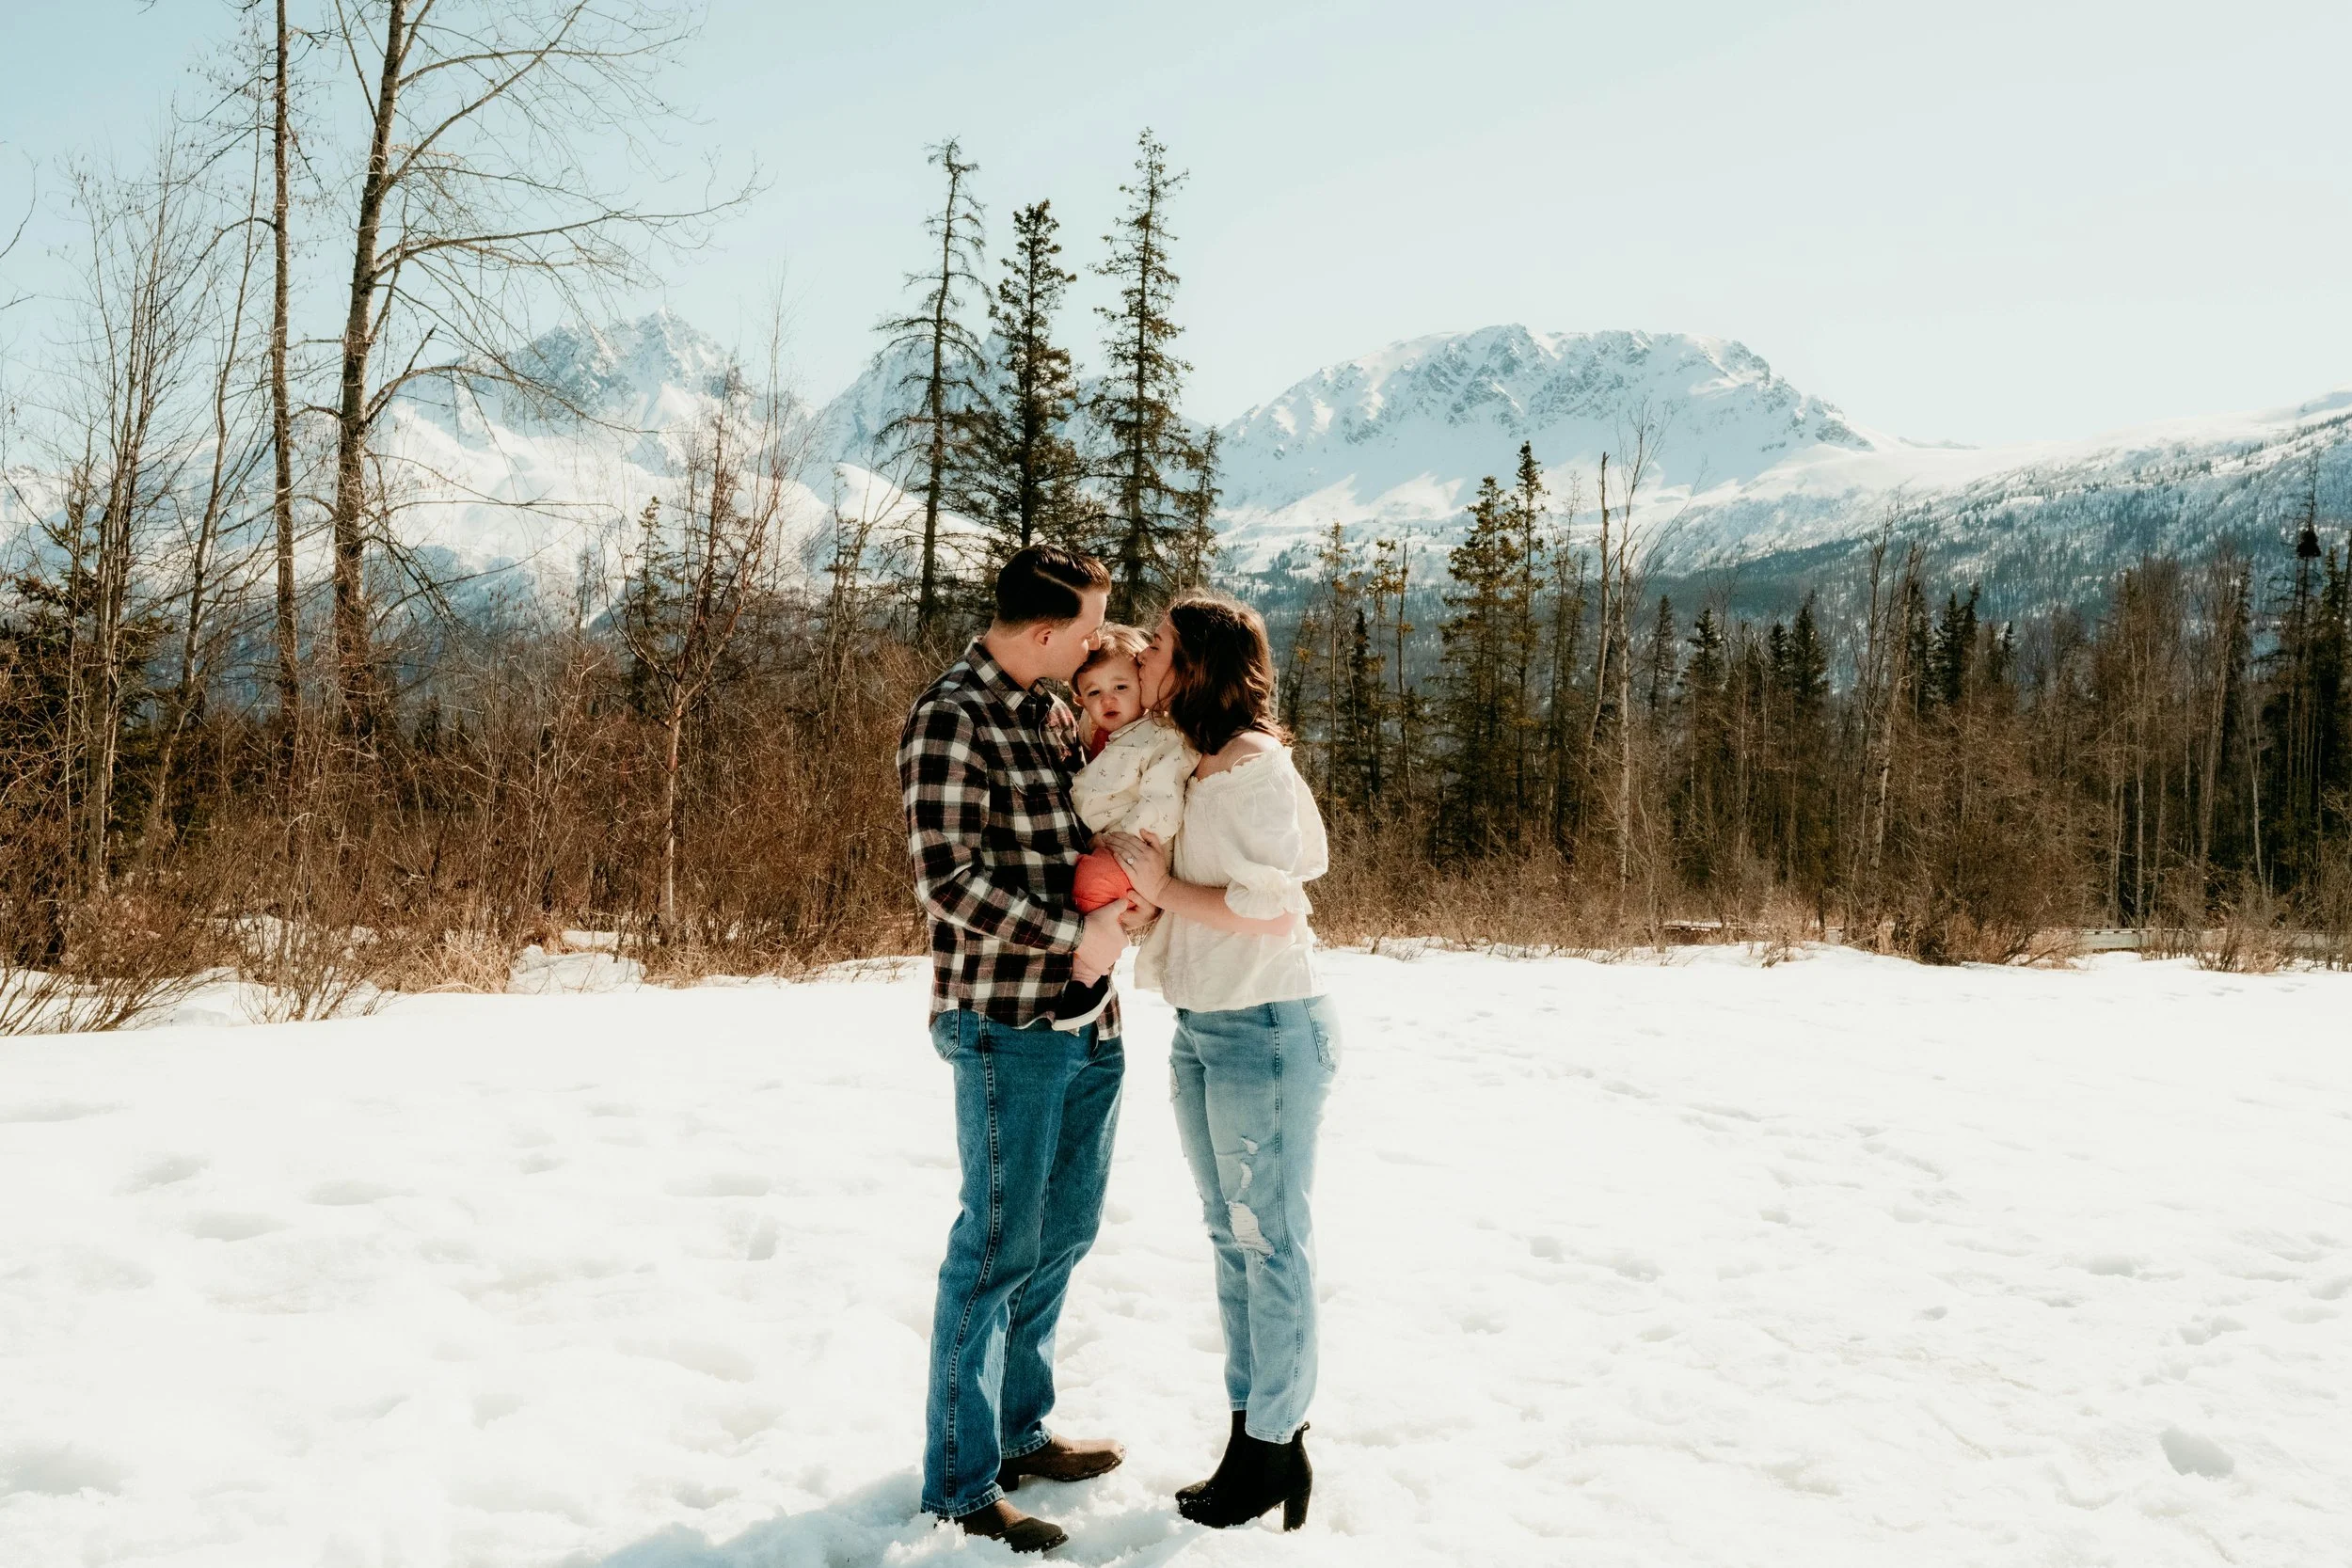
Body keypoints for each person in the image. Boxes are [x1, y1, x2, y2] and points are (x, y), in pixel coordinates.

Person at [898, 545, 1139, 1555]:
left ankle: (1017, 1426)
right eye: (1089, 625)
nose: (1100, 641)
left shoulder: (1050, 705)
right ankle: (959, 1484)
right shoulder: (952, 715)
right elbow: (945, 878)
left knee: (1065, 1231)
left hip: (1090, 1021)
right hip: (1008, 1022)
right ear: (1043, 629)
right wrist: (1068, 934)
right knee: (994, 1249)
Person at [1105, 590, 1339, 1534]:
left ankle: (1274, 1445)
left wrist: (1161, 886)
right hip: (1206, 1027)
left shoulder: (1251, 766)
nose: (1146, 653)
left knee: (1269, 1239)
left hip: (1267, 1030)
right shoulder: (1193, 760)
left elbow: (1273, 905)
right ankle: (1255, 1434)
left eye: (1158, 643)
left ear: (1196, 661)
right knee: (1230, 1236)